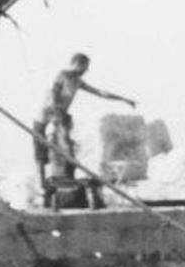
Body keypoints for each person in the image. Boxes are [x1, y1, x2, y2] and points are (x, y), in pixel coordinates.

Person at [35, 52, 135, 181]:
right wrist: (57, 115)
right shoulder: (63, 75)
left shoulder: (77, 81)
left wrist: (123, 99)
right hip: (45, 117)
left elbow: (99, 92)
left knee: (67, 146)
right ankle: (43, 181)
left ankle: (67, 176)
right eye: (85, 67)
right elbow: (53, 95)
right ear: (77, 64)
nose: (86, 70)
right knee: (41, 152)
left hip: (59, 116)